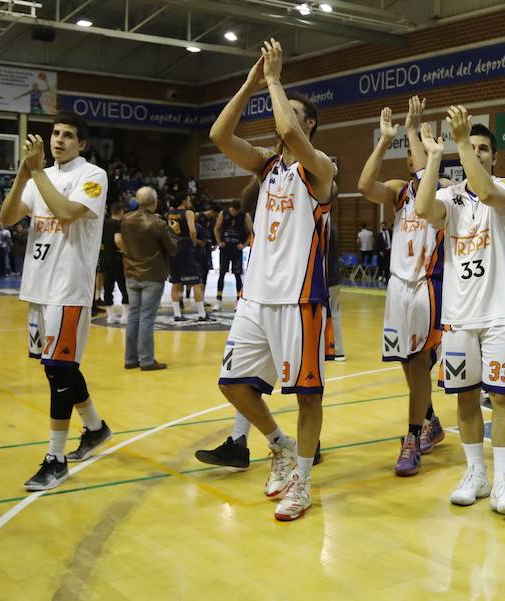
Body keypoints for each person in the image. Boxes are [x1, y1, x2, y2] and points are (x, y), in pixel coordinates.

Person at [200, 40, 334, 521]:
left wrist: (276, 81)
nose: (283, 118)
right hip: (257, 299)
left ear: (309, 125)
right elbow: (219, 133)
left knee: (307, 395)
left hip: (300, 301)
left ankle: (303, 479)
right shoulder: (266, 165)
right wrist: (252, 82)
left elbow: (285, 128)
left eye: (295, 114)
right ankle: (279, 445)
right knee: (232, 383)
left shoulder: (322, 170)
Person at [416, 110, 505, 516]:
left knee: (501, 398)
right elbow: (424, 209)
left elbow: (487, 193)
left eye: (483, 150)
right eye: (471, 147)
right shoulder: (450, 195)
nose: (476, 154)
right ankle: (476, 473)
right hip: (459, 315)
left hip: (499, 314)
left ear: (494, 158)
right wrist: (432, 156)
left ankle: (503, 482)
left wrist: (461, 144)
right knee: (464, 399)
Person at [0, 113, 113, 491]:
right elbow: (6, 218)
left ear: (82, 144)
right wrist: (22, 174)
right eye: (55, 134)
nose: (59, 140)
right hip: (38, 287)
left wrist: (38, 173)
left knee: (61, 370)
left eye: (68, 136)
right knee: (55, 368)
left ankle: (56, 458)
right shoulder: (38, 176)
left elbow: (65, 213)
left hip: (68, 289)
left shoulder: (92, 175)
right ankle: (95, 428)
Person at [357, 98, 445, 477]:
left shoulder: (444, 192)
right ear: (409, 162)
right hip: (398, 287)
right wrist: (386, 139)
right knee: (409, 368)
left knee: (419, 364)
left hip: (427, 285)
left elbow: (429, 170)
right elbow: (363, 185)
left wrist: (414, 129)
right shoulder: (398, 190)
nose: (419, 158)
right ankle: (430, 422)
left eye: (426, 153)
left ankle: (412, 439)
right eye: (415, 154)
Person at [120, 186, 175, 371]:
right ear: (155, 202)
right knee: (146, 318)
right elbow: (172, 249)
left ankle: (130, 359)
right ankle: (147, 360)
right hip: (152, 274)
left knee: (133, 316)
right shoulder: (158, 223)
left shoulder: (126, 219)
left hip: (131, 272)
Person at [166, 194, 209, 322]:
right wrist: (194, 241)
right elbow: (193, 230)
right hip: (185, 247)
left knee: (176, 282)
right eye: (188, 199)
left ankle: (177, 314)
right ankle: (202, 314)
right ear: (184, 200)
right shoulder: (188, 212)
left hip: (173, 247)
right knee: (196, 282)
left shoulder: (169, 213)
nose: (190, 201)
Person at [213, 200, 252, 311]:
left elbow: (251, 232)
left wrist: (244, 245)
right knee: (221, 274)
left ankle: (238, 301)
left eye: (237, 211)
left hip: (236, 248)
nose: (235, 213)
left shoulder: (244, 215)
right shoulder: (223, 213)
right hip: (225, 248)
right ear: (231, 208)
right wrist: (219, 242)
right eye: (233, 211)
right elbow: (216, 228)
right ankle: (218, 300)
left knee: (237, 275)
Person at [101, 202, 129, 325]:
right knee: (124, 287)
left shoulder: (103, 223)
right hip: (117, 259)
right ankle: (125, 316)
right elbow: (117, 239)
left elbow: (100, 244)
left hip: (105, 259)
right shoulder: (118, 224)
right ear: (121, 211)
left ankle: (110, 316)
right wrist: (125, 250)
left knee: (108, 288)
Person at [326, 215, 345, 361]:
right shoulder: (331, 227)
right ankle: (337, 350)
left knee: (324, 315)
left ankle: (333, 350)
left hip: (327, 279)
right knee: (335, 314)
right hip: (334, 277)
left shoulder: (324, 228)